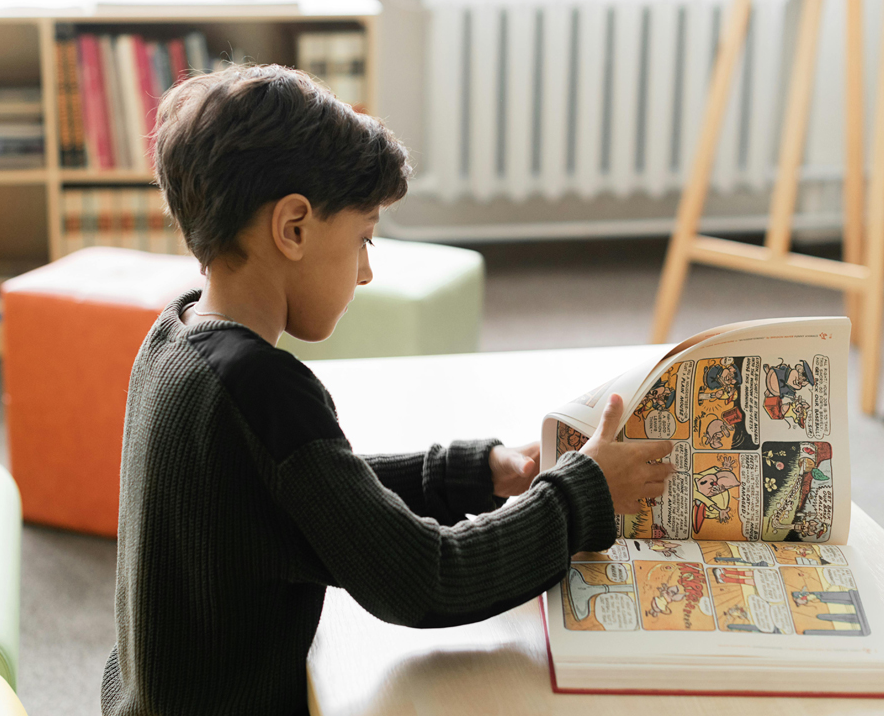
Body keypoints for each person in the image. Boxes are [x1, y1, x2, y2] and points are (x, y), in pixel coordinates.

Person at [100, 63, 674, 716]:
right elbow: (428, 579)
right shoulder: (265, 390)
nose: (367, 271)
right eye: (363, 239)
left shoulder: (175, 336)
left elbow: (299, 493)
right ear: (294, 227)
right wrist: (583, 493)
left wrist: (475, 474)